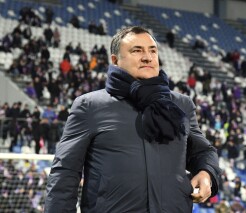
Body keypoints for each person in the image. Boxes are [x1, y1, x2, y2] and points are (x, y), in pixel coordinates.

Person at [44, 26, 221, 212]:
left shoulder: (180, 104)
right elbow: (65, 173)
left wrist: (206, 172)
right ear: (115, 60)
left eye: (152, 50)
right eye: (137, 50)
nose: (148, 57)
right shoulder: (89, 106)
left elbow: (203, 152)